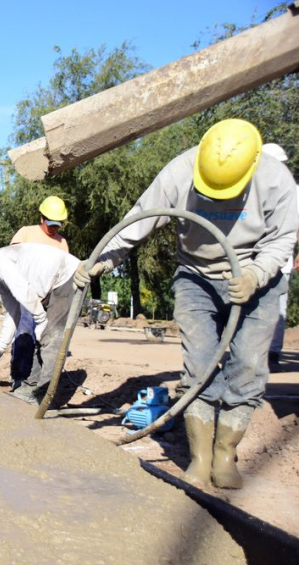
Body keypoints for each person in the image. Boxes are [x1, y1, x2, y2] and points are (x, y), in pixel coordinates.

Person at [74, 119, 298, 489]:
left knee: (248, 365)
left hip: (258, 280)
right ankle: (201, 456)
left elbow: (282, 239)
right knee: (200, 365)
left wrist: (256, 274)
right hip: (196, 275)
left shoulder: (276, 180)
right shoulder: (180, 171)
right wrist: (104, 259)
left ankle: (225, 454)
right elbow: (138, 221)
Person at [0, 242, 80, 406]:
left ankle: (44, 396)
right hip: (51, 284)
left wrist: (41, 320)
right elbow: (12, 312)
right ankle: (30, 388)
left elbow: (23, 291)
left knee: (52, 339)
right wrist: (1, 346)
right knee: (36, 337)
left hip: (67, 277)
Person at [8, 196, 70, 389]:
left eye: (57, 225)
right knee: (25, 334)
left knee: (46, 337)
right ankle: (20, 378)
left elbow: (64, 272)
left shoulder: (61, 243)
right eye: (50, 224)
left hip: (50, 298)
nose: (53, 228)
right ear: (41, 218)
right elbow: (12, 259)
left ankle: (38, 381)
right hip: (26, 295)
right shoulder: (26, 233)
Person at [262, 143, 298, 373]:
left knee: (277, 307)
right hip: (251, 260)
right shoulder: (252, 188)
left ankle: (273, 352)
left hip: (279, 260)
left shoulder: (293, 191)